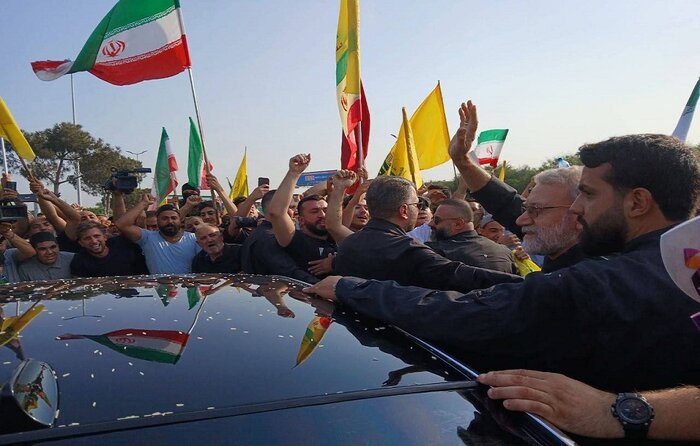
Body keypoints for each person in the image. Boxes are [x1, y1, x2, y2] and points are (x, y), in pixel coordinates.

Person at [305, 129, 700, 392]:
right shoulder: (674, 262)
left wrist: (352, 288)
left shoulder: (605, 280)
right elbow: (520, 220)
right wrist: (465, 164)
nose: (578, 208)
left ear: (637, 202)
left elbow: (472, 312)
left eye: (589, 195)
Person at [451, 105, 585, 271]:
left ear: (579, 213)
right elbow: (505, 204)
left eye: (535, 210)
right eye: (526, 209)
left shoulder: (598, 276)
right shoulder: (557, 245)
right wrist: (462, 161)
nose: (521, 220)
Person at [332, 175, 520, 292]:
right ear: (404, 210)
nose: (419, 210)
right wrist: (526, 284)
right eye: (417, 205)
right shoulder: (409, 250)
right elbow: (458, 274)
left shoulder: (348, 244)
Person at [266, 154, 337, 278]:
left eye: (325, 210)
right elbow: (277, 212)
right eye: (314, 211)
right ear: (301, 220)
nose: (322, 215)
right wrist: (294, 173)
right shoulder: (295, 240)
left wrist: (337, 263)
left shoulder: (338, 237)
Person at [240, 189, 319, 283]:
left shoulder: (262, 233)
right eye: (290, 207)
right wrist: (325, 285)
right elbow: (290, 273)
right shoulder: (269, 239)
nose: (294, 212)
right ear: (275, 210)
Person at [115, 194, 200, 274]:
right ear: (157, 221)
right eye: (164, 218)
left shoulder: (194, 238)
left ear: (180, 220)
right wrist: (143, 203)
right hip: (159, 285)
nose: (170, 221)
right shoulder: (147, 238)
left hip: (189, 284)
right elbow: (121, 224)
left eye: (174, 218)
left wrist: (188, 206)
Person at [426, 199, 516, 274]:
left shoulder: (435, 251)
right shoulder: (504, 251)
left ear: (458, 224)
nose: (430, 224)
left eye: (437, 220)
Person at [70, 221, 148, 277]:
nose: (94, 241)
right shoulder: (79, 261)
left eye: (97, 236)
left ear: (105, 237)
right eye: (87, 238)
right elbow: (81, 286)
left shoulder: (123, 243)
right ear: (81, 243)